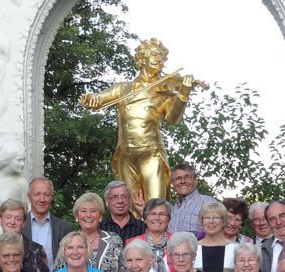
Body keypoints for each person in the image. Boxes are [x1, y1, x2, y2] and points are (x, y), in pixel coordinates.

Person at [81, 39, 201, 211]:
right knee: (129, 208)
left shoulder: (164, 92)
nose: (159, 59)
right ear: (142, 58)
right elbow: (100, 98)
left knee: (156, 207)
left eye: (162, 56)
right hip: (126, 155)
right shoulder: (122, 89)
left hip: (150, 154)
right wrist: (91, 99)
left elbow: (173, 119)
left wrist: (183, 93)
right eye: (154, 54)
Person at [55, 192, 127, 272]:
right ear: (77, 215)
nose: (88, 215)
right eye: (83, 211)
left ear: (100, 215)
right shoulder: (68, 242)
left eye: (93, 211)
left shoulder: (114, 240)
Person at [0, 199, 49, 272]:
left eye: (18, 218)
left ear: (24, 222)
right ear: (0, 219)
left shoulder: (37, 250)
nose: (12, 222)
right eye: (8, 217)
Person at [20, 177, 72, 262]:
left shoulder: (64, 228)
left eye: (46, 195)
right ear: (29, 197)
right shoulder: (19, 226)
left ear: (51, 197)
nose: (42, 199)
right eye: (37, 194)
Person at [126, 198, 175, 272]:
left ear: (168, 219)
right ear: (145, 219)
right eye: (152, 214)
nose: (157, 218)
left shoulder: (177, 242)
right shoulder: (132, 243)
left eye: (162, 214)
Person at [194, 201, 237, 272]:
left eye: (216, 217)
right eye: (207, 217)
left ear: (224, 221)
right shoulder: (193, 249)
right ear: (201, 221)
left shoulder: (235, 249)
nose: (211, 221)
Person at [168, 163, 216, 235]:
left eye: (187, 177)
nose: (183, 181)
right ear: (172, 183)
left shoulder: (208, 203)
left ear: (195, 180)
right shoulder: (171, 209)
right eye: (178, 178)